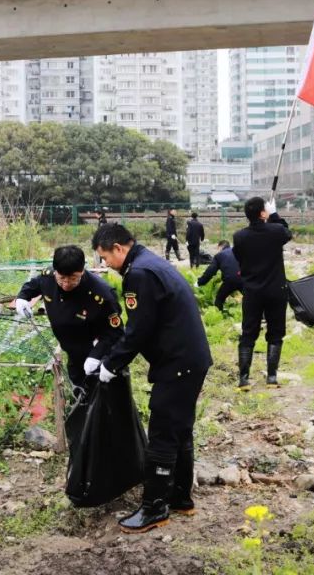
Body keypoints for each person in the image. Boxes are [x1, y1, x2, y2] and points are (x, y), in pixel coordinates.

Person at [92, 223, 212, 534]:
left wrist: (112, 363)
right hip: (189, 358)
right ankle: (180, 497)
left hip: (178, 363)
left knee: (161, 431)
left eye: (105, 258)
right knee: (179, 429)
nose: (105, 265)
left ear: (119, 248)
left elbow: (138, 329)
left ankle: (154, 507)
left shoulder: (140, 274)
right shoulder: (152, 262)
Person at [13, 245, 124, 388]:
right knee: (78, 391)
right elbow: (33, 285)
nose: (66, 283)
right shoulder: (48, 277)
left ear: (82, 271)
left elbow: (116, 331)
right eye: (61, 278)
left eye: (72, 278)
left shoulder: (101, 294)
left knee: (104, 395)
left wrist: (96, 355)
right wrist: (22, 298)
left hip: (100, 356)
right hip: (72, 351)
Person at [232, 197, 292, 389]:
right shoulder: (275, 231)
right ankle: (272, 377)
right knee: (275, 333)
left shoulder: (239, 236)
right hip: (276, 290)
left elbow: (239, 258)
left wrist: (268, 215)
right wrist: (274, 215)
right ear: (262, 213)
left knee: (248, 333)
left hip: (252, 291)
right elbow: (286, 232)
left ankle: (243, 379)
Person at [196, 240, 241, 312]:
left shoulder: (219, 256)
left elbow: (210, 271)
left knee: (219, 299)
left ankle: (219, 315)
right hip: (244, 278)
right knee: (252, 298)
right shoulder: (239, 251)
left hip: (230, 280)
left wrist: (199, 282)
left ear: (220, 246)